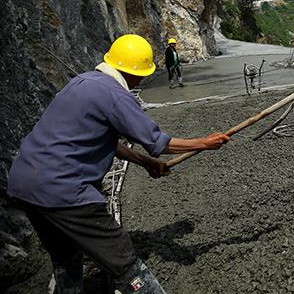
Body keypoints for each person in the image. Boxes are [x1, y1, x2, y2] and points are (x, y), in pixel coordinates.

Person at [7, 34, 230, 294]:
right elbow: (158, 141)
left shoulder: (81, 82)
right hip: (63, 189)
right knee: (123, 260)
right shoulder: (115, 95)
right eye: (143, 75)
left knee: (66, 256)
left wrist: (145, 162)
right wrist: (204, 142)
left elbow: (102, 141)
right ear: (135, 73)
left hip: (25, 184)